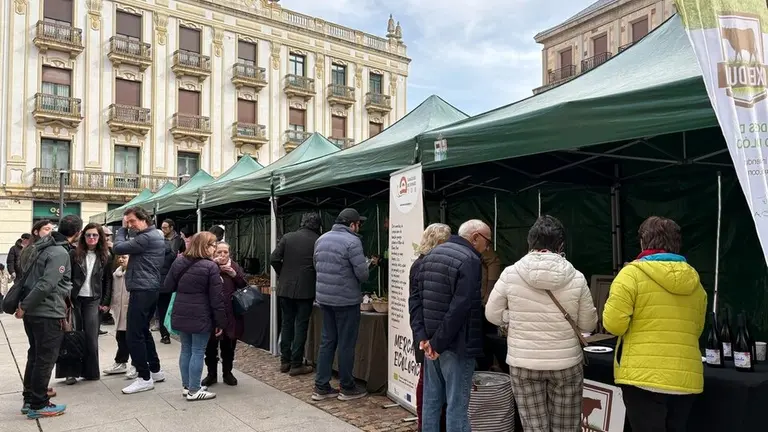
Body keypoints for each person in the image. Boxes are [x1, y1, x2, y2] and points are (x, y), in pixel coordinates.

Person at [485, 216, 597, 432]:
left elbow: (492, 314)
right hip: (565, 364)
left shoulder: (511, 273)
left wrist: (512, 317)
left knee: (534, 427)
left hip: (523, 362)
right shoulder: (577, 277)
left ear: (530, 243)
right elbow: (587, 324)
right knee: (566, 427)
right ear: (561, 245)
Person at [603, 216, 707, 432]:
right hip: (685, 377)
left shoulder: (630, 274)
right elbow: (697, 328)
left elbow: (613, 325)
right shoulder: (695, 280)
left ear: (643, 242)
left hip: (642, 377)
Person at [417, 219, 488, 432]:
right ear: (475, 238)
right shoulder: (470, 260)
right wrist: (437, 344)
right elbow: (461, 307)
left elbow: (418, 301)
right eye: (488, 241)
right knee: (456, 406)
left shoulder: (429, 256)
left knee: (431, 401)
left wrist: (427, 340)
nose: (488, 247)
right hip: (455, 344)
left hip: (432, 344)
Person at [19, 214, 81, 419]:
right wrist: (25, 307)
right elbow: (47, 284)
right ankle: (39, 403)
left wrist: (26, 306)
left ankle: (30, 399)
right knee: (45, 359)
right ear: (78, 233)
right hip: (46, 312)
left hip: (34, 312)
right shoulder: (59, 252)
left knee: (35, 356)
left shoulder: (41, 246)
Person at [312, 208, 370, 401]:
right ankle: (347, 386)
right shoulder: (353, 241)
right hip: (346, 300)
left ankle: (321, 386)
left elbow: (316, 265)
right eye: (358, 224)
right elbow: (362, 274)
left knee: (327, 341)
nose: (358, 227)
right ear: (352, 224)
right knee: (346, 344)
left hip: (325, 298)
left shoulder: (321, 239)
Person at [165, 232, 226, 401]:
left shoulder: (179, 261)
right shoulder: (211, 267)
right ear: (205, 246)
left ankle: (187, 386)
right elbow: (216, 298)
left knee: (186, 349)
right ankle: (194, 389)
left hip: (181, 310)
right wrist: (220, 321)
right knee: (198, 351)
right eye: (213, 245)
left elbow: (168, 285)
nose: (215, 248)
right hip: (201, 313)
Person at [113, 206, 166, 394]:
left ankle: (144, 377)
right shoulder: (156, 235)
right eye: (127, 222)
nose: (130, 225)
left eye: (132, 221)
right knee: (143, 331)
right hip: (149, 288)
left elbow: (118, 247)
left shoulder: (146, 237)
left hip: (143, 289)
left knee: (133, 334)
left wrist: (121, 230)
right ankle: (155, 370)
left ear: (144, 219)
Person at [408, 223, 451, 432]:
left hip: (430, 333)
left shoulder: (422, 264)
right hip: (427, 334)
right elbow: (416, 304)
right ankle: (424, 424)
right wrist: (422, 337)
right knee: (427, 383)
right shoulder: (421, 265)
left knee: (431, 382)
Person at [57, 223, 113, 385]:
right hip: (75, 299)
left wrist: (106, 301)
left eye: (95, 235)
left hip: (93, 300)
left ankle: (91, 372)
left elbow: (108, 280)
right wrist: (65, 300)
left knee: (91, 337)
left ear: (100, 237)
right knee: (72, 335)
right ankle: (70, 373)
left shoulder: (106, 255)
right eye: (88, 235)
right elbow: (66, 278)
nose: (91, 238)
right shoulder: (74, 254)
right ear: (83, 236)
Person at [271, 212, 321, 376]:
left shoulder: (288, 237)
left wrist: (282, 274)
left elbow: (274, 258)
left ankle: (285, 361)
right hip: (306, 290)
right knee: (300, 326)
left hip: (285, 288)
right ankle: (296, 364)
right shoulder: (318, 240)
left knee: (286, 324)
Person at [202, 241, 247, 386]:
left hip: (231, 312)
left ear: (230, 253)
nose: (222, 255)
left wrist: (234, 275)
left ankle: (227, 372)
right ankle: (211, 374)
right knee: (210, 346)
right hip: (212, 311)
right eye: (219, 252)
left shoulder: (234, 266)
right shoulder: (208, 266)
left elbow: (243, 285)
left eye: (225, 252)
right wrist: (213, 266)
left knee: (229, 344)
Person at [157, 219, 184, 345]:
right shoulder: (172, 254)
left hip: (154, 285)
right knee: (164, 309)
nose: (164, 229)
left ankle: (163, 333)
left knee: (155, 309)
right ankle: (166, 334)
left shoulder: (153, 253)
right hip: (167, 284)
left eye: (165, 227)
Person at [103, 255, 131, 376]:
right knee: (120, 337)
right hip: (119, 311)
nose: (121, 260)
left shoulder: (133, 274)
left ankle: (135, 364)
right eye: (119, 257)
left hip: (130, 311)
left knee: (131, 339)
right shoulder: (116, 274)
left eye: (124, 257)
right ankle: (121, 362)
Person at [476, 248, 503, 372]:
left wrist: (487, 297)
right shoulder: (487, 256)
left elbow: (493, 265)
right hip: (482, 304)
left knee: (485, 341)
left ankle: (487, 368)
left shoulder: (488, 256)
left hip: (482, 305)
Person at [101, 226, 116, 326]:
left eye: (108, 236)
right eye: (105, 235)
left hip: (109, 277)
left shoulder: (110, 248)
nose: (107, 238)